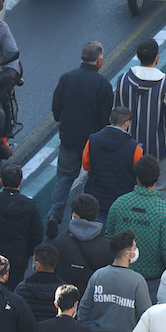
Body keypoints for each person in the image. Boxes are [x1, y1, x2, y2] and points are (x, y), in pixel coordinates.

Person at [48, 42, 113, 236]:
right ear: (99, 60)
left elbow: (56, 109)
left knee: (65, 177)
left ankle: (54, 215)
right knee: (94, 178)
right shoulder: (103, 84)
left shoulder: (67, 78)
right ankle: (83, 217)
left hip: (69, 138)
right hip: (92, 142)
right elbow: (105, 119)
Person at [114, 39, 166, 194]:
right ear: (157, 58)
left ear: (138, 57)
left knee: (130, 187)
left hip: (128, 149)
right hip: (158, 150)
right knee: (158, 190)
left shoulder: (123, 80)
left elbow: (115, 113)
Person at [106, 156, 166, 301]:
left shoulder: (119, 204)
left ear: (137, 178)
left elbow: (108, 238)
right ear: (157, 179)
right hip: (150, 280)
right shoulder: (165, 212)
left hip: (120, 274)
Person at [0, 165, 43, 290]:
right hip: (18, 260)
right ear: (21, 182)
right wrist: (26, 254)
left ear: (1, 181)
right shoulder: (31, 206)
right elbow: (37, 235)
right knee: (12, 292)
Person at [82, 106, 143, 224]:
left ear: (110, 119)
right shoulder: (134, 148)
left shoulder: (92, 140)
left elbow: (86, 166)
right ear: (127, 123)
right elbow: (140, 176)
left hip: (98, 200)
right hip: (124, 204)